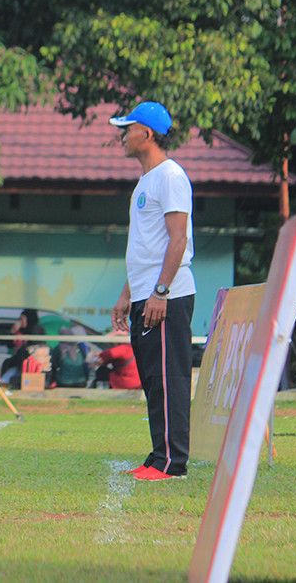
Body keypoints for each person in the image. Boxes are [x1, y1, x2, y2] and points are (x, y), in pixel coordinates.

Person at [109, 101, 195, 481]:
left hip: (168, 296)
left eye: (128, 129)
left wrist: (161, 291)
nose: (123, 136)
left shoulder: (171, 176)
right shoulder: (146, 181)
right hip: (147, 293)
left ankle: (172, 464)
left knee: (170, 378)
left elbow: (178, 240)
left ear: (147, 134)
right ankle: (158, 456)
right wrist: (128, 294)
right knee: (153, 379)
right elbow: (147, 246)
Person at [0, 309, 46, 389]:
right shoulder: (20, 332)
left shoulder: (36, 330)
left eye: (22, 319)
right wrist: (12, 332)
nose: (20, 322)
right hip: (19, 361)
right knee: (7, 364)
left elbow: (33, 348)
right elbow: (9, 345)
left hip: (31, 363)